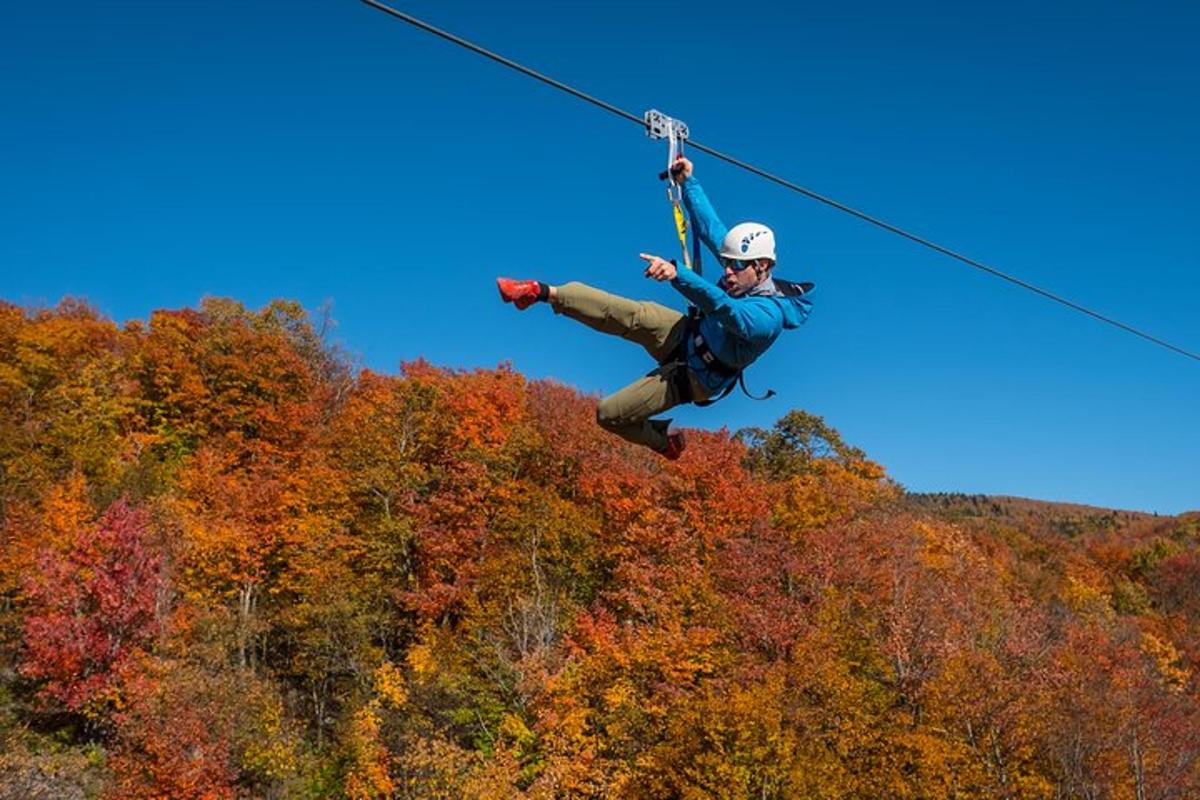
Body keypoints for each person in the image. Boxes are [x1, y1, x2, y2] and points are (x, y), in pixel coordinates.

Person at [496, 157, 813, 460]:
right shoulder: (741, 271)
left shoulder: (769, 316)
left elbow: (726, 310)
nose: (727, 272)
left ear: (762, 266)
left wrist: (679, 274)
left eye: (737, 266)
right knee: (630, 313)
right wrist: (688, 181)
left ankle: (663, 442)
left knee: (608, 414)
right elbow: (709, 226)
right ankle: (540, 292)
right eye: (727, 264)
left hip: (694, 377)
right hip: (686, 336)